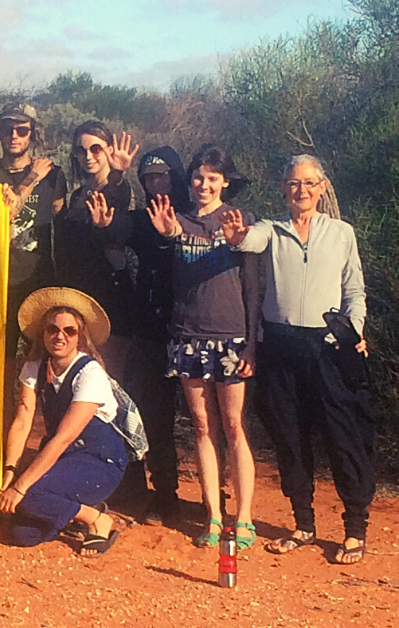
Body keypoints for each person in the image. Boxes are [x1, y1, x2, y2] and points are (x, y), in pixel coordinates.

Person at [222, 155, 372, 565]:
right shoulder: (272, 230)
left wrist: (353, 330)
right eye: (293, 183)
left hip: (328, 347)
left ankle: (355, 528)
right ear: (283, 189)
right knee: (289, 437)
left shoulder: (342, 234)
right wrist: (236, 237)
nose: (301, 191)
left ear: (322, 187)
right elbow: (248, 240)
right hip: (281, 346)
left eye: (309, 183)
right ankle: (303, 524)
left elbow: (354, 292)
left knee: (342, 437)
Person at [146, 144, 259, 549]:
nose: (204, 184)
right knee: (202, 425)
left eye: (213, 177)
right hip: (188, 335)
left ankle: (243, 516)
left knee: (233, 426)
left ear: (225, 182)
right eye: (198, 177)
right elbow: (168, 246)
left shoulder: (241, 220)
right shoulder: (178, 220)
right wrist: (167, 236)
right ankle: (213, 514)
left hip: (231, 335)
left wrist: (252, 343)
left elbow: (253, 285)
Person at [0, 287, 126, 556]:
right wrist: (10, 469)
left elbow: (63, 437)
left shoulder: (90, 374)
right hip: (64, 458)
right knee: (23, 534)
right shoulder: (35, 366)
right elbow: (23, 418)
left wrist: (21, 486)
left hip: (98, 461)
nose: (59, 336)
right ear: (43, 333)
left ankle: (96, 520)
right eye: (52, 329)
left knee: (28, 495)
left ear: (81, 337)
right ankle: (76, 511)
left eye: (69, 331)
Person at [0, 103, 66, 420]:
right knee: (3, 370)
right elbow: (3, 213)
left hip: (39, 284)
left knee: (49, 370)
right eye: (8, 129)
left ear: (32, 135)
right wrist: (30, 180)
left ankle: (50, 451)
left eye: (22, 130)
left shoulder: (55, 177)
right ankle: (2, 453)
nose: (14, 135)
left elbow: (62, 220)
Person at [123, 147, 189, 525]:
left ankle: (221, 498)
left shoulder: (197, 213)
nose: (154, 183)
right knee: (155, 416)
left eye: (161, 176)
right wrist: (103, 224)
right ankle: (163, 494)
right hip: (152, 330)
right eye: (147, 178)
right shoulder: (143, 219)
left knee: (211, 420)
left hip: (197, 330)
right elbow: (118, 227)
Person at [54, 121, 138, 376]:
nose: (88, 156)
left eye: (95, 149)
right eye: (81, 150)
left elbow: (115, 199)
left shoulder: (117, 189)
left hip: (110, 295)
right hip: (78, 296)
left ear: (109, 151)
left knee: (106, 379)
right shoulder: (78, 195)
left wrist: (118, 173)